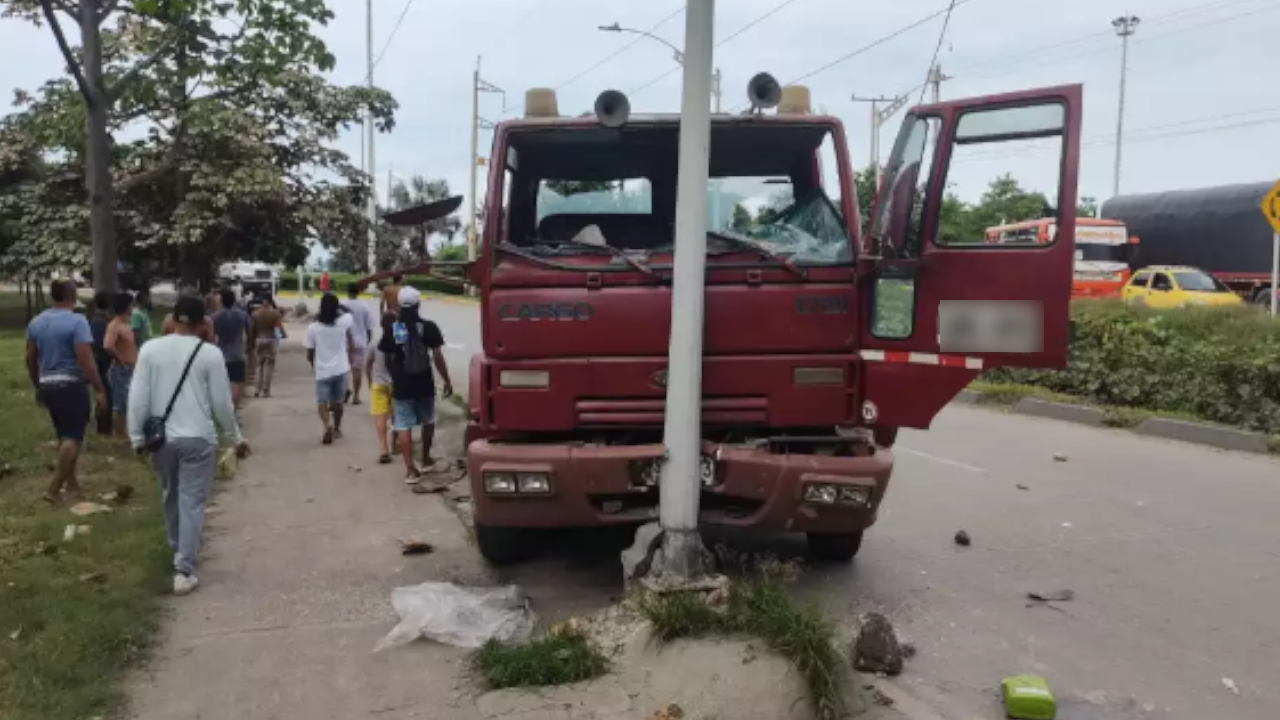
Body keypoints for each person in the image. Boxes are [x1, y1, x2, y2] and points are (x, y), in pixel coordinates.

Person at [128, 296, 249, 596]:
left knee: (171, 493)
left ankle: (178, 547)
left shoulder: (149, 349)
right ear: (202, 323)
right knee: (192, 500)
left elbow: (138, 396)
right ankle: (184, 568)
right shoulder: (210, 353)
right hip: (198, 437)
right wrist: (235, 437)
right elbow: (222, 402)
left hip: (162, 440)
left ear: (172, 319)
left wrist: (136, 436)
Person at [25, 279, 107, 504]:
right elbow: (86, 360)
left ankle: (72, 485)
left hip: (48, 383)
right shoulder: (77, 321)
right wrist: (99, 389)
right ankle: (53, 488)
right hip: (70, 383)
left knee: (64, 434)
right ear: (72, 294)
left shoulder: (37, 322)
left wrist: (38, 384)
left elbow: (30, 358)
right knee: (73, 437)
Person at [381, 287, 453, 484]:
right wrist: (446, 380)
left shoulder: (393, 329)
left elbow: (388, 357)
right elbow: (437, 356)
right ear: (418, 304)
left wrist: (394, 376)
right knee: (427, 420)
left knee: (403, 426)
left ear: (399, 304)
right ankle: (426, 458)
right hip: (424, 381)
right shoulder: (428, 327)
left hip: (402, 384)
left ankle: (410, 471)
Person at [304, 293, 354, 444]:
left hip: (322, 371)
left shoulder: (313, 328)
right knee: (338, 402)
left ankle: (327, 426)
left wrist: (314, 366)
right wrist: (338, 306)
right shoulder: (343, 323)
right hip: (340, 369)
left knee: (322, 402)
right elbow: (349, 312)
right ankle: (337, 429)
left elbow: (310, 352)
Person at [104, 292, 139, 443]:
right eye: (131, 304)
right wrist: (121, 360)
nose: (133, 307)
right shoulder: (114, 325)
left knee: (128, 402)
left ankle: (125, 432)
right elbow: (108, 345)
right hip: (121, 369)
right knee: (120, 404)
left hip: (131, 368)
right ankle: (120, 436)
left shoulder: (126, 324)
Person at [365, 312, 398, 465]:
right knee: (397, 416)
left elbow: (368, 364)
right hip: (396, 384)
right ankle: (395, 445)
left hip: (378, 384)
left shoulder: (375, 342)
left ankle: (383, 449)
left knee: (381, 418)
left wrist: (369, 380)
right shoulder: (399, 342)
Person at [211, 288, 252, 407]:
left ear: (222, 301)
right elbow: (250, 333)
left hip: (220, 354)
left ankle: (224, 408)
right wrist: (249, 348)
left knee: (222, 384)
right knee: (237, 384)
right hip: (237, 354)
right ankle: (234, 409)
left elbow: (211, 336)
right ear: (234, 301)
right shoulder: (242, 315)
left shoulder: (215, 317)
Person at [340, 282, 376, 405]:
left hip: (343, 341)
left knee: (343, 369)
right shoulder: (364, 306)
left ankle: (344, 391)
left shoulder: (341, 304)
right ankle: (356, 396)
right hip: (360, 341)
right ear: (359, 292)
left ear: (347, 292)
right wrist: (367, 340)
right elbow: (369, 327)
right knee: (357, 369)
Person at [88, 290, 114, 436]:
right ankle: (103, 428)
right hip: (102, 365)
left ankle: (104, 426)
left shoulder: (98, 320)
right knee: (105, 395)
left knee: (106, 394)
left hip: (101, 363)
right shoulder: (99, 322)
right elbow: (97, 345)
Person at [250, 295, 286, 398]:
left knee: (259, 366)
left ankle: (257, 390)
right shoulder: (275, 314)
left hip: (259, 339)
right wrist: (284, 335)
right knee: (269, 367)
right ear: (270, 303)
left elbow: (252, 330)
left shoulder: (255, 314)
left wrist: (251, 342)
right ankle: (266, 391)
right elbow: (280, 327)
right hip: (270, 340)